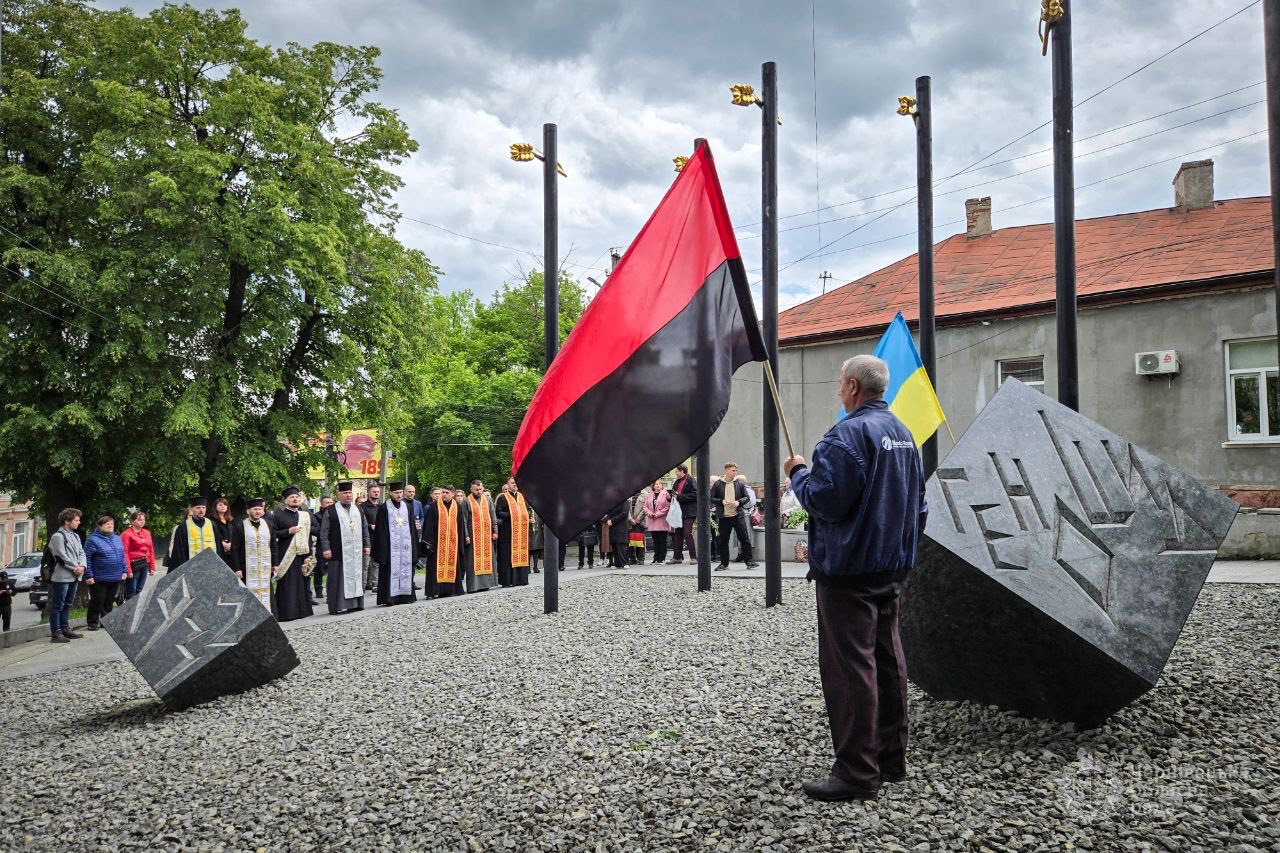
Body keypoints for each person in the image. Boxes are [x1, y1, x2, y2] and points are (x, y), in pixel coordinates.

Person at [785, 354, 927, 803]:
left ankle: (857, 772)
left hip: (849, 571)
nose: (838, 391)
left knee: (852, 670)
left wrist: (798, 473)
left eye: (838, 384)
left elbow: (826, 501)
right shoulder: (904, 434)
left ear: (850, 386)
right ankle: (890, 759)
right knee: (889, 659)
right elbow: (919, 505)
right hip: (891, 567)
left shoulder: (844, 436)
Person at [318, 482, 370, 614]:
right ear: (338, 495)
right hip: (337, 550)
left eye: (349, 493)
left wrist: (367, 544)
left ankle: (356, 604)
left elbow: (365, 528)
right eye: (345, 493)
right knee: (337, 580)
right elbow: (324, 532)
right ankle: (336, 606)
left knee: (356, 576)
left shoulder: (358, 509)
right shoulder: (331, 511)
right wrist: (326, 548)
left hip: (356, 551)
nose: (348, 495)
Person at [269, 485, 316, 622]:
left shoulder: (306, 515)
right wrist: (288, 531)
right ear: (285, 501)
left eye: (297, 497)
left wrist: (307, 528)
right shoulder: (278, 516)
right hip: (286, 554)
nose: (295, 499)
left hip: (303, 554)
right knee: (287, 584)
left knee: (303, 582)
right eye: (292, 497)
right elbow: (273, 534)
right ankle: (286, 613)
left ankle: (303, 611)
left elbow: (316, 528)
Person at [374, 481, 419, 606]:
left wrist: (414, 548)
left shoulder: (407, 507)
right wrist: (384, 551)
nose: (399, 495)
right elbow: (380, 532)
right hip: (390, 549)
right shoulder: (384, 508)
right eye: (396, 493)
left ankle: (405, 597)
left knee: (405, 570)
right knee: (389, 572)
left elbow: (412, 528)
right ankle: (390, 598)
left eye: (400, 493)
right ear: (390, 493)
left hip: (405, 548)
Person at [83, 515, 129, 630]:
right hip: (99, 577)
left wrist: (124, 570)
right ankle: (92, 623)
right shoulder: (93, 540)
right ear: (100, 526)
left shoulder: (117, 538)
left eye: (112, 524)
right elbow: (86, 558)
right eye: (107, 524)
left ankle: (106, 621)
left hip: (115, 576)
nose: (110, 526)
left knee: (109, 601)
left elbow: (122, 556)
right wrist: (88, 575)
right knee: (97, 601)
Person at [47, 508, 86, 643]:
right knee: (58, 604)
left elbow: (82, 552)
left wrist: (82, 566)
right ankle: (56, 633)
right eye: (76, 520)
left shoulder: (75, 536)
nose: (79, 522)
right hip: (62, 576)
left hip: (75, 575)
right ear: (67, 521)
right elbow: (60, 557)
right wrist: (75, 567)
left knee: (68, 604)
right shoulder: (58, 536)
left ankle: (65, 628)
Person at [709, 463, 757, 571]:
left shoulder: (739, 484)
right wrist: (721, 501)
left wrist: (738, 502)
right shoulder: (718, 484)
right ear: (726, 471)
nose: (735, 472)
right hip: (724, 517)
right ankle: (724, 564)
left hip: (738, 515)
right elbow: (711, 498)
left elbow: (747, 497)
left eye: (736, 470)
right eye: (733, 470)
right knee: (723, 541)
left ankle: (749, 561)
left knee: (744, 539)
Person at [422, 485, 465, 599]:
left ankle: (449, 590)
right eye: (443, 492)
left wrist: (462, 539)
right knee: (434, 567)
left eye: (447, 492)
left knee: (452, 565)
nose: (444, 495)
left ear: (453, 494)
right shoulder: (434, 506)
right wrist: (428, 542)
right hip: (437, 544)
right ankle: (432, 592)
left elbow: (460, 525)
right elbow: (428, 524)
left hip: (452, 543)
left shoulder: (457, 507)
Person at [230, 499, 274, 610]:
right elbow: (234, 548)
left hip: (265, 566)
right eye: (255, 509)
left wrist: (276, 564)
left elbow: (273, 545)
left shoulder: (268, 525)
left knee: (266, 591)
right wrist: (237, 568)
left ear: (263, 511)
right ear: (248, 511)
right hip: (246, 568)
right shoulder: (240, 525)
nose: (258, 511)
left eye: (260, 509)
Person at [168, 497, 224, 571]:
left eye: (203, 507)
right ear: (192, 509)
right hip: (191, 568)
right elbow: (179, 551)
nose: (201, 510)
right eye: (198, 508)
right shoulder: (184, 526)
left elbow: (218, 547)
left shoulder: (212, 525)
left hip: (211, 566)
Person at [494, 477, 532, 586]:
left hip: (521, 533)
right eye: (512, 483)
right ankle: (508, 581)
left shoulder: (521, 496)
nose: (514, 484)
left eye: (516, 483)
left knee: (522, 554)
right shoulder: (503, 497)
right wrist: (511, 515)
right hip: (508, 532)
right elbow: (498, 512)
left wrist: (526, 515)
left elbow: (527, 509)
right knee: (507, 556)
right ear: (507, 484)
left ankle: (521, 579)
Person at [464, 480, 499, 593]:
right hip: (473, 536)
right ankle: (474, 586)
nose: (479, 491)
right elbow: (463, 521)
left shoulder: (488, 499)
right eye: (476, 490)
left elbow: (493, 516)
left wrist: (495, 531)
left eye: (480, 489)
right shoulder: (466, 501)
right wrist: (466, 535)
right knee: (472, 562)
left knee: (488, 559)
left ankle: (486, 584)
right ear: (471, 489)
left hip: (486, 536)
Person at [121, 510, 155, 600]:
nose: (142, 521)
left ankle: (136, 610)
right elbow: (124, 553)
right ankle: (129, 610)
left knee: (139, 589)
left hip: (145, 563)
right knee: (132, 590)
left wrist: (152, 567)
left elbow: (151, 550)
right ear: (132, 521)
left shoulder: (147, 533)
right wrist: (128, 570)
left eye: (143, 519)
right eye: (139, 519)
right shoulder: (126, 534)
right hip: (133, 564)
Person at [667, 463, 698, 564]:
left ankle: (693, 557)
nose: (676, 473)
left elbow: (696, 494)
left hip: (689, 511)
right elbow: (675, 496)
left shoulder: (691, 480)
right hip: (679, 511)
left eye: (677, 471)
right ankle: (677, 557)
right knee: (678, 534)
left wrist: (680, 496)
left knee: (686, 533)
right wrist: (669, 497)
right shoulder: (677, 482)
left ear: (682, 471)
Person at [643, 480, 672, 564]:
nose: (658, 485)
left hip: (662, 520)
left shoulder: (665, 494)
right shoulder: (649, 495)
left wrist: (658, 514)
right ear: (653, 486)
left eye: (659, 484)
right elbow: (645, 506)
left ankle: (662, 558)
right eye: (656, 484)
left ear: (662, 485)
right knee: (655, 540)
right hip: (652, 520)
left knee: (662, 540)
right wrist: (649, 513)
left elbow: (668, 506)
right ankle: (656, 557)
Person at [360, 483, 382, 591]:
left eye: (378, 491)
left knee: (376, 563)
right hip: (366, 539)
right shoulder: (361, 507)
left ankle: (375, 585)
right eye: (374, 491)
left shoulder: (381, 507)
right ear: (369, 492)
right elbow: (358, 523)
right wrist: (369, 526)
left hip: (378, 539)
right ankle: (362, 586)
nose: (377, 493)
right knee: (364, 565)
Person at [604, 501, 630, 568]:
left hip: (621, 526)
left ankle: (624, 563)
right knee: (614, 544)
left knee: (621, 544)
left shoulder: (625, 502)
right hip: (613, 527)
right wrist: (607, 519)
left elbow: (624, 514)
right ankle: (617, 563)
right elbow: (608, 514)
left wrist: (612, 520)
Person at [210, 497, 235, 564]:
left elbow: (234, 534)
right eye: (220, 505)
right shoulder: (211, 520)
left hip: (231, 549)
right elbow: (213, 534)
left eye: (225, 504)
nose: (223, 506)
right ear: (215, 507)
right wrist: (222, 543)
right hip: (219, 549)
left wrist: (231, 543)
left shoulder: (231, 520)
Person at [627, 492, 647, 564]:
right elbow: (627, 508)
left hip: (640, 522)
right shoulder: (628, 494)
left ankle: (641, 558)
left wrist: (638, 518)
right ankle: (632, 558)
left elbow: (645, 508)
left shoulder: (644, 494)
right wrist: (630, 518)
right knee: (630, 541)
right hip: (630, 522)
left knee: (640, 541)